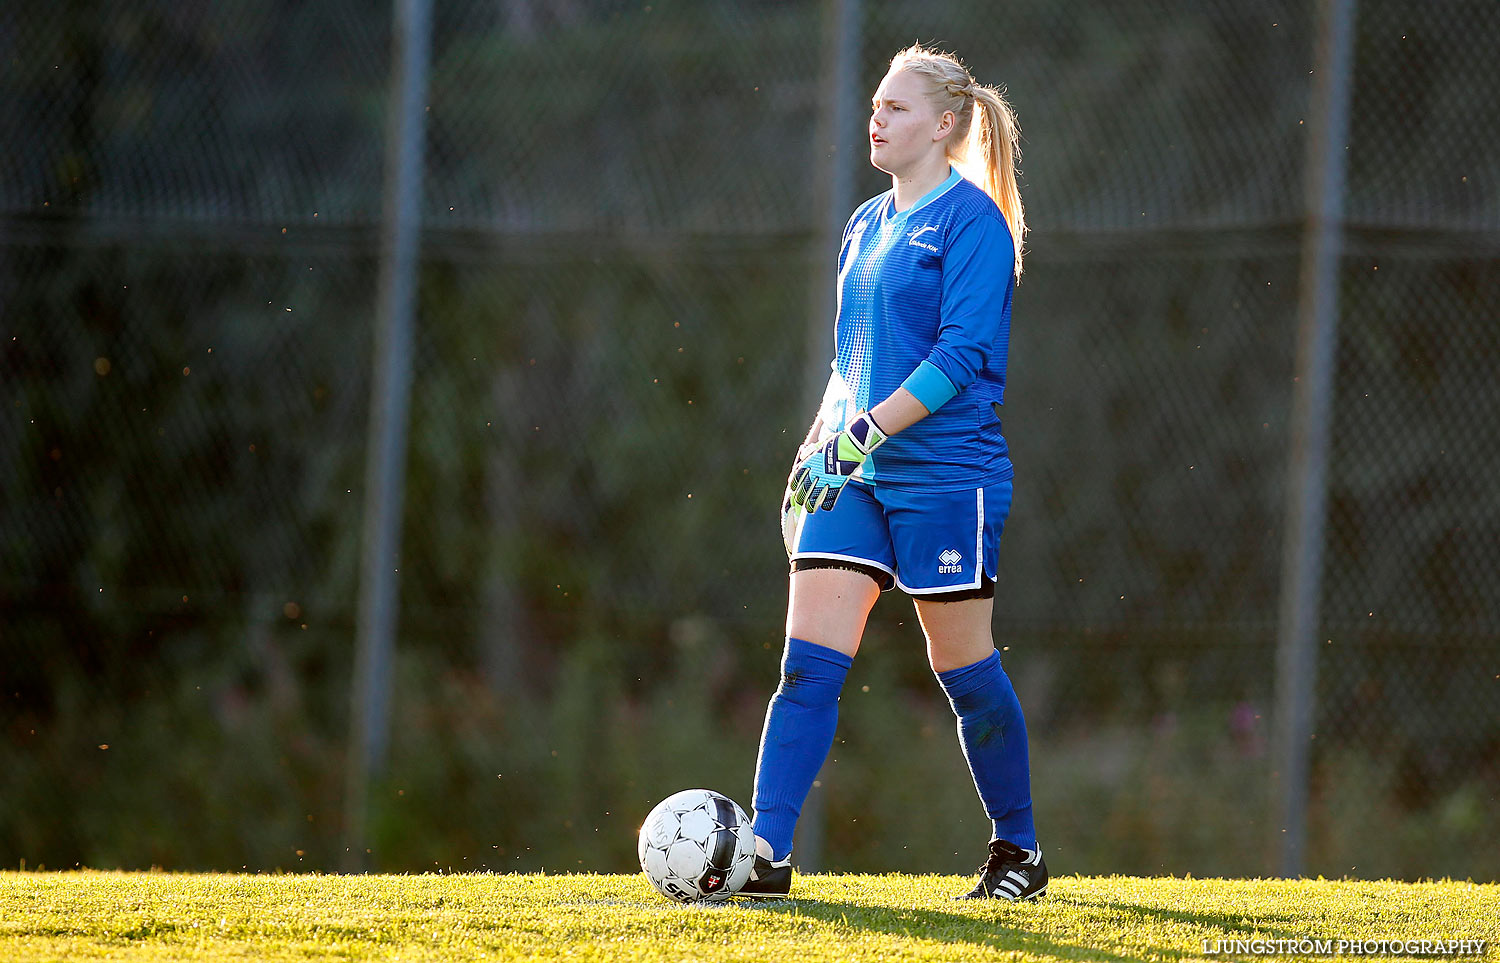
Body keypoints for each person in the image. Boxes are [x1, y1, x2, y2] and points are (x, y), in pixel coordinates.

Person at [738, 44, 1044, 901]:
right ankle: (766, 853)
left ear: (947, 124)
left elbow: (959, 359)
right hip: (855, 474)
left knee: (964, 670)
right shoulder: (865, 225)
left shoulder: (972, 222)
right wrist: (817, 448)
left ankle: (1016, 850)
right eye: (875, 105)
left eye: (897, 108)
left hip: (949, 477)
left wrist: (862, 433)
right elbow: (850, 361)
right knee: (807, 666)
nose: (877, 118)